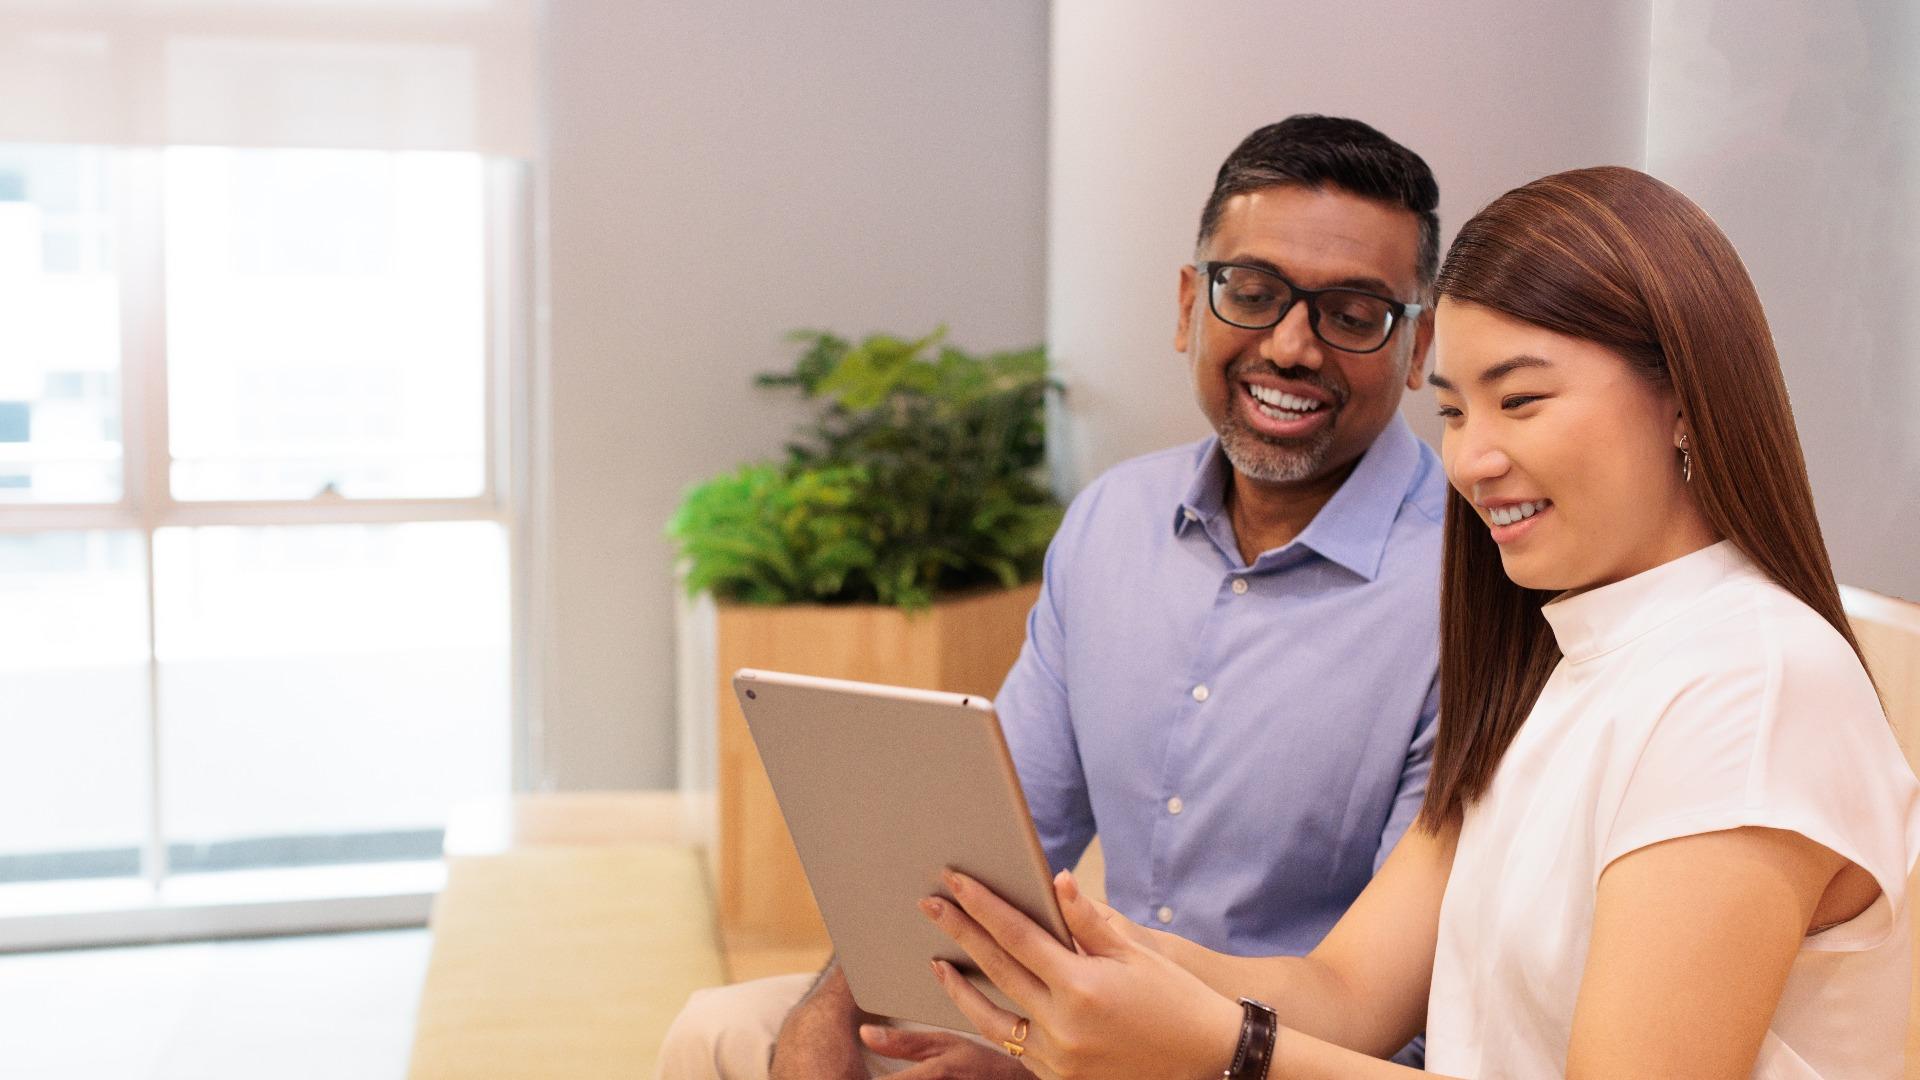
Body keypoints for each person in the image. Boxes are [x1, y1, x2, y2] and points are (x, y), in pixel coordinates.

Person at [922, 165, 1920, 1079]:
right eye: (1451, 412)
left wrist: (1224, 1054)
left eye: (1520, 401)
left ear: (1684, 403)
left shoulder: (1749, 687)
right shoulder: (1556, 661)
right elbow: (1346, 996)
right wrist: (1114, 957)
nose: (1472, 460)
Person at [656, 114, 1447, 1079]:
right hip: (1064, 1013)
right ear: (1189, 305)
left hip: (1277, 1058)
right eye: (1252, 292)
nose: (1290, 346)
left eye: (1354, 314)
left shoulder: (1468, 594)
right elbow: (978, 840)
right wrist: (837, 1016)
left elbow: (1373, 1009)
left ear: (1416, 348)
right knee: (728, 1035)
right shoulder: (1113, 521)